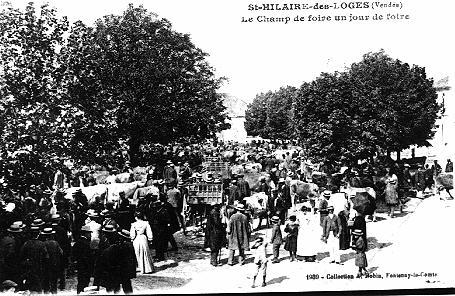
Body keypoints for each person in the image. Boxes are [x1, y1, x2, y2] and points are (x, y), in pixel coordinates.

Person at [19, 226, 49, 293]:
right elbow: (46, 257)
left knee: (30, 286)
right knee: (39, 286)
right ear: (38, 234)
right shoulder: (42, 244)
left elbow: (21, 256)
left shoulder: (26, 244)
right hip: (39, 268)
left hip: (29, 268)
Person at [41, 227, 63, 294]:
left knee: (46, 281)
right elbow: (61, 252)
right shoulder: (55, 243)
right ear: (51, 235)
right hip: (55, 264)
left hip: (46, 265)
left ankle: (46, 292)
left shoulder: (43, 243)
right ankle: (54, 293)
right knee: (54, 281)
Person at [72, 226, 92, 294]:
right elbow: (88, 257)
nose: (90, 235)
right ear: (85, 233)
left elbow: (73, 255)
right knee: (85, 284)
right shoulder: (86, 243)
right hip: (86, 267)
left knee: (80, 282)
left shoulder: (77, 243)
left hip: (80, 266)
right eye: (89, 233)